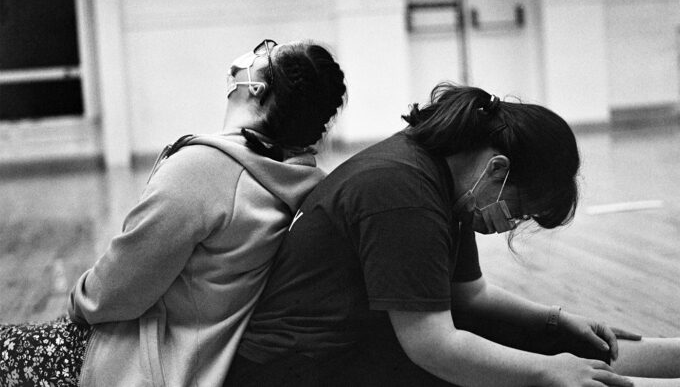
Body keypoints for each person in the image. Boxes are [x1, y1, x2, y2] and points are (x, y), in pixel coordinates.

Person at [225, 83, 680, 387]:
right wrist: (546, 371)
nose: (510, 225)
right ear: (498, 169)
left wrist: (557, 321)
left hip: (347, 345)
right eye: (519, 211)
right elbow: (433, 345)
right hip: (296, 370)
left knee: (540, 344)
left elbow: (472, 296)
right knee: (529, 373)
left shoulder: (445, 174)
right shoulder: (402, 191)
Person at [0, 39, 347, 386]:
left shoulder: (204, 171)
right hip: (195, 362)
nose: (252, 54)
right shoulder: (289, 176)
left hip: (141, 366)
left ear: (258, 88)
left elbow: (113, 293)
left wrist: (76, 303)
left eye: (265, 52)